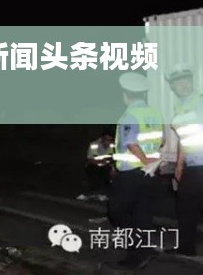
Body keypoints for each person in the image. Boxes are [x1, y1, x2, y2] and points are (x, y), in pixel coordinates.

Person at [106, 72, 165, 270]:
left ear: (125, 95)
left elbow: (131, 143)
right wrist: (151, 161)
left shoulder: (129, 115)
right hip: (150, 173)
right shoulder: (156, 114)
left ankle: (137, 247)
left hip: (132, 173)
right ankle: (140, 253)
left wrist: (144, 160)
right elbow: (162, 140)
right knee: (142, 213)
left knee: (116, 211)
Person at [166, 63, 203, 256]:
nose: (184, 84)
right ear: (172, 86)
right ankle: (186, 248)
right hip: (193, 166)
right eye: (179, 82)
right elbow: (184, 139)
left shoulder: (200, 103)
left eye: (187, 80)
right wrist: (180, 165)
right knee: (186, 206)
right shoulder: (181, 108)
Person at [76, 131, 115, 202]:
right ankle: (87, 194)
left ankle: (101, 194)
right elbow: (90, 159)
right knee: (94, 174)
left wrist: (112, 168)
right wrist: (101, 162)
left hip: (105, 166)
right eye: (106, 139)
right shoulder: (94, 144)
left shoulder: (112, 146)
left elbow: (111, 159)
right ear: (102, 139)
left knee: (109, 175)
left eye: (110, 140)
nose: (107, 142)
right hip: (93, 165)